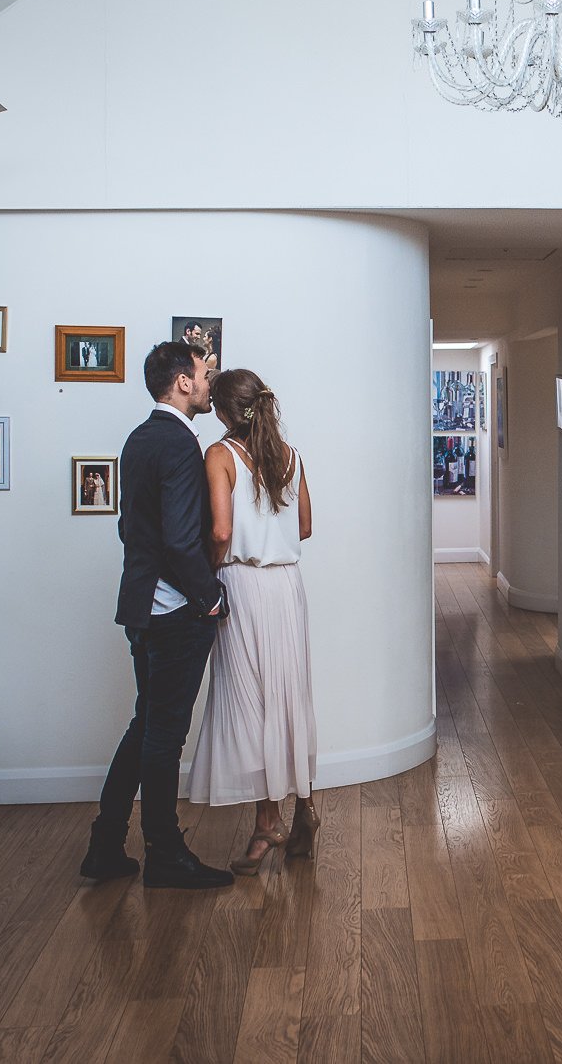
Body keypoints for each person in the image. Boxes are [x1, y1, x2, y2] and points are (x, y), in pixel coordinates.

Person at [80, 341, 234, 890]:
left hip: (142, 609)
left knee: (146, 725)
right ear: (184, 384)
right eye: (205, 373)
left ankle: (105, 845)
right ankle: (164, 855)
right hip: (173, 615)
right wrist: (209, 597)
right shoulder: (177, 443)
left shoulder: (140, 438)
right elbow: (177, 539)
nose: (210, 381)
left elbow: (132, 530)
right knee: (164, 736)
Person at [186, 369, 319, 875]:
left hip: (243, 585)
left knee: (249, 703)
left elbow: (220, 531)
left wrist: (210, 570)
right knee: (289, 696)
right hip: (288, 587)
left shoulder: (220, 455)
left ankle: (268, 824)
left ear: (222, 411)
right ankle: (303, 806)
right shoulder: (291, 456)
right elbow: (304, 526)